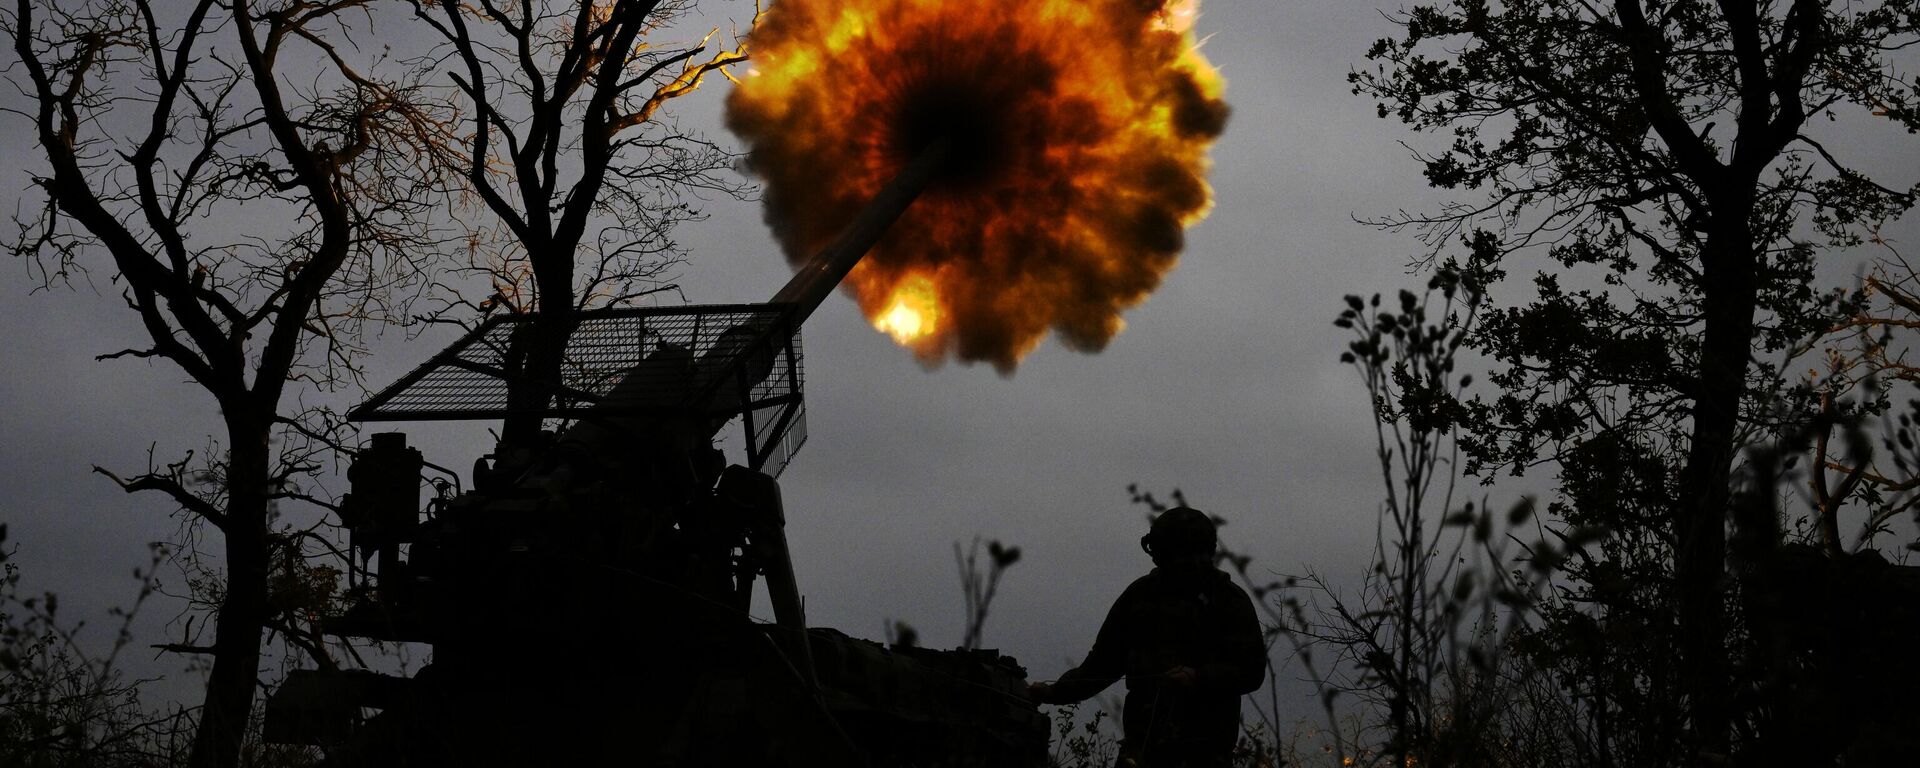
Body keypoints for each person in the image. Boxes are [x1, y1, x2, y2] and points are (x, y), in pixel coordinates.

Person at [1027, 506, 1265, 768]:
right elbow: (1102, 664)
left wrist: (1199, 677)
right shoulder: (1139, 597)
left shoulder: (1228, 600)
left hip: (1205, 752)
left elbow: (1251, 671)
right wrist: (1054, 692)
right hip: (1142, 748)